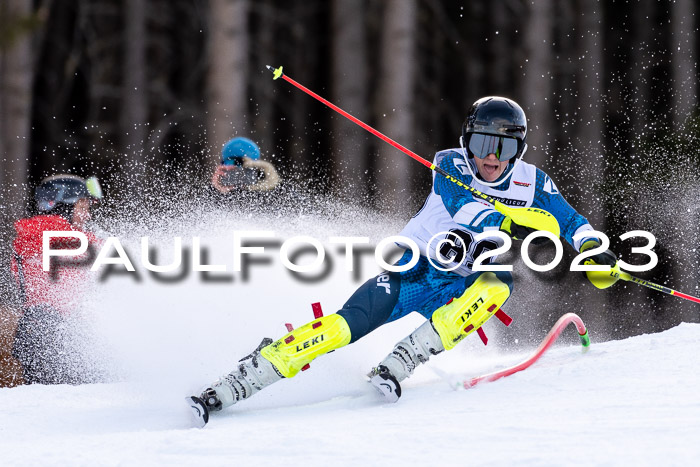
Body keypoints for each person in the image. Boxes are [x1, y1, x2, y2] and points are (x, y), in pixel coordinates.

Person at [190, 97, 617, 420]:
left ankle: (404, 359)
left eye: (503, 149)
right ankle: (245, 378)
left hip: (464, 283)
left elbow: (569, 220)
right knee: (343, 326)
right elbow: (464, 204)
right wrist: (501, 223)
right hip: (416, 268)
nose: (491, 157)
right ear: (467, 140)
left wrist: (595, 250)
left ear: (518, 151)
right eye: (483, 143)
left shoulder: (533, 182)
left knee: (497, 283)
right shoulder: (450, 163)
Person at [10, 174, 103, 384]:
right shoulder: (70, 239)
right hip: (61, 339)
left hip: (33, 333)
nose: (87, 215)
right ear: (64, 206)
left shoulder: (26, 238)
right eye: (82, 207)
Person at [210, 137, 280, 194]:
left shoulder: (268, 191)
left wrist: (272, 182)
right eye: (230, 162)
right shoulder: (217, 189)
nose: (238, 169)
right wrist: (215, 188)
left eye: (241, 163)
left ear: (256, 167)